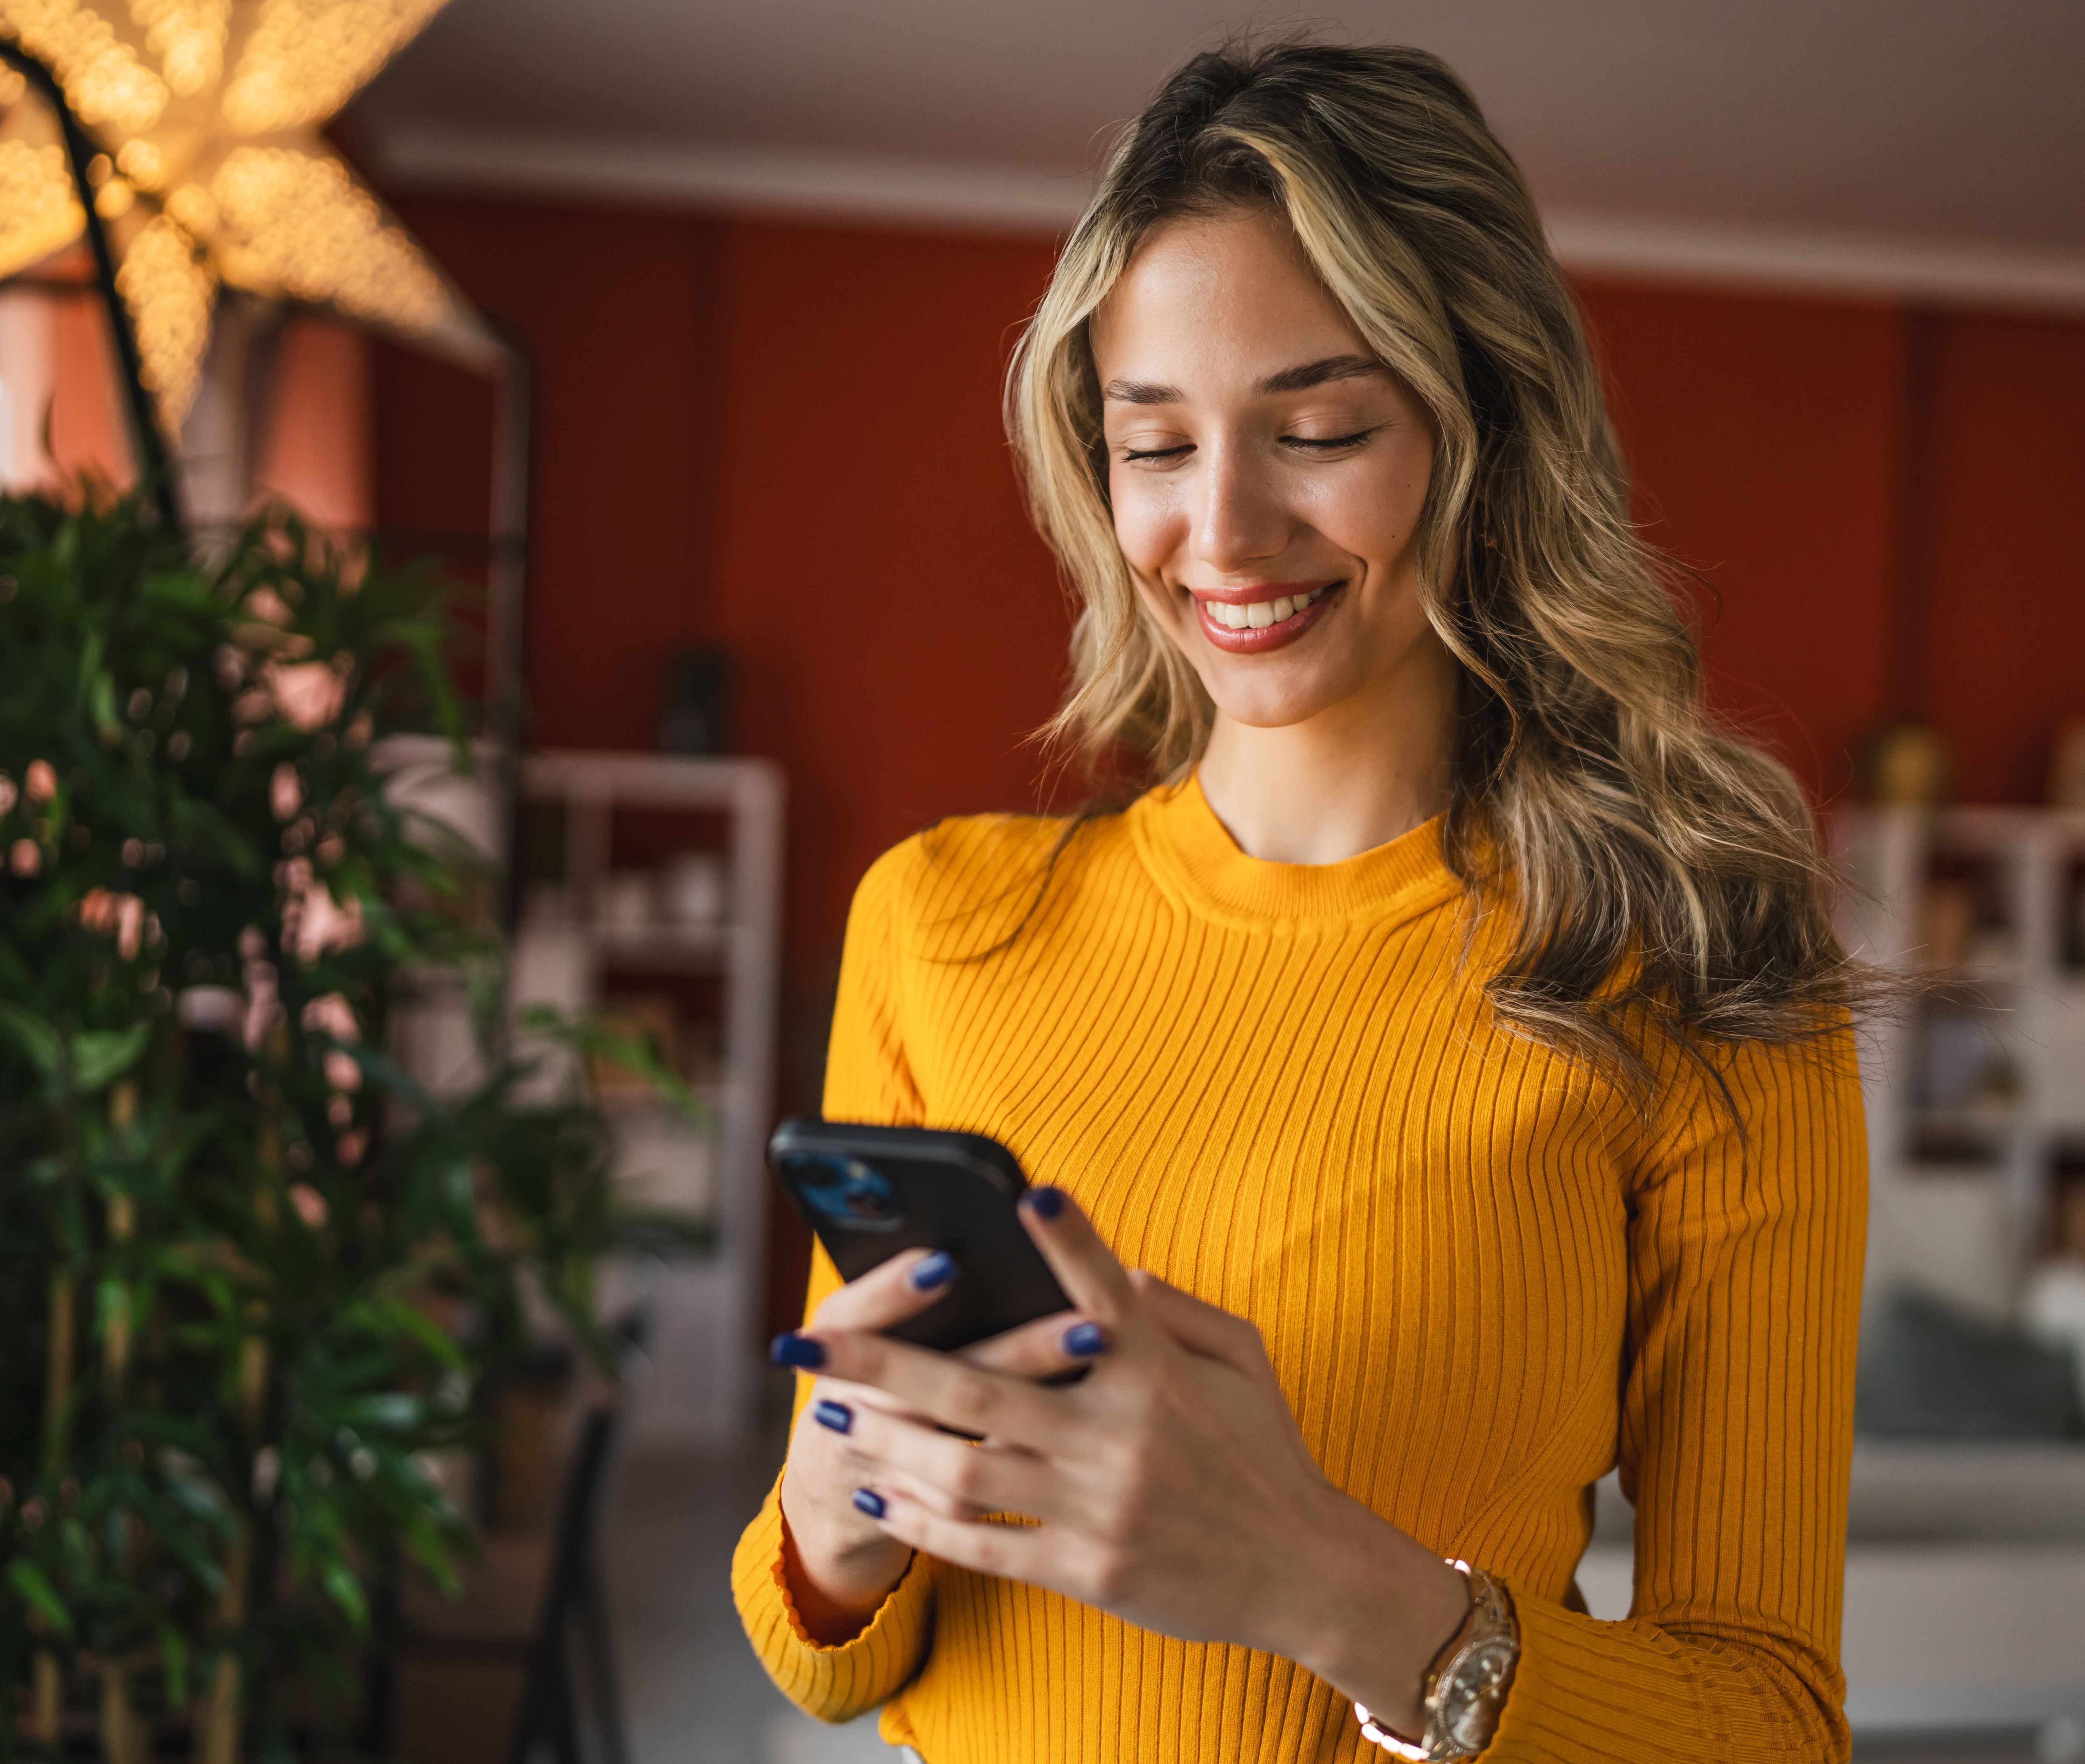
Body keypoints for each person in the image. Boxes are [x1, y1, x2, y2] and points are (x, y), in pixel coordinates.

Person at [733, 40, 1868, 1764]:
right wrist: (834, 1522)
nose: (1226, 531)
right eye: (1154, 444)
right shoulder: (938, 925)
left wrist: (1323, 1585)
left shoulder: (1697, 976)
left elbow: (1777, 1724)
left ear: (1480, 430)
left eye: (1321, 430)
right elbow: (829, 1661)